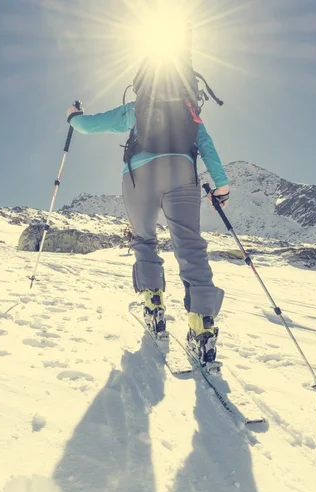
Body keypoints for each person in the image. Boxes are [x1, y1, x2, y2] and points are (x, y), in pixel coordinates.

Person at [66, 60, 230, 366]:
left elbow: (89, 126)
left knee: (144, 238)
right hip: (183, 172)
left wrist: (74, 117)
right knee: (190, 246)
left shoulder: (136, 108)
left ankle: (154, 305)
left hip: (139, 175)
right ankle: (202, 326)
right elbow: (206, 145)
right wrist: (221, 184)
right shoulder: (190, 111)